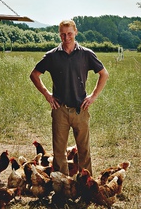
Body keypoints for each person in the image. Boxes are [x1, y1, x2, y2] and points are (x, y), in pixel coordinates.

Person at [30, 19, 109, 175]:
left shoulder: (86, 54)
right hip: (60, 110)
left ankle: (86, 186)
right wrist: (47, 94)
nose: (66, 38)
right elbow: (34, 75)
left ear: (76, 32)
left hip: (81, 109)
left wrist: (92, 96)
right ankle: (62, 188)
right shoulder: (52, 56)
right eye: (63, 34)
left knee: (84, 150)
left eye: (69, 34)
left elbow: (104, 74)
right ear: (59, 34)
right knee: (59, 152)